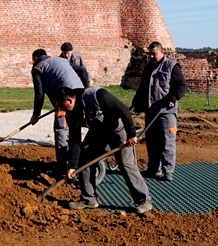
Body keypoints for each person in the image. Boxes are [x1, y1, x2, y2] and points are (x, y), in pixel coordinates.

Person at [58, 86, 152, 214]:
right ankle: (89, 199)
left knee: (126, 163)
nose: (61, 110)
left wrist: (131, 134)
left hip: (119, 130)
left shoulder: (96, 95)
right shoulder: (71, 114)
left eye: (62, 105)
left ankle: (143, 200)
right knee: (85, 159)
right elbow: (75, 140)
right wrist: (72, 166)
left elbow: (123, 110)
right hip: (98, 132)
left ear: (69, 100)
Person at [131, 41, 188, 181]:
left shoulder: (172, 67)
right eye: (149, 54)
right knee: (151, 141)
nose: (151, 56)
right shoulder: (148, 67)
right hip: (151, 111)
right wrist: (136, 102)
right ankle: (153, 169)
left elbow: (182, 86)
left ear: (161, 52)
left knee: (167, 141)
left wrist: (172, 98)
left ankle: (167, 171)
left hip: (166, 112)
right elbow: (143, 87)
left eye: (154, 54)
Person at [30, 48, 84, 175]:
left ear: (35, 59)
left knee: (61, 130)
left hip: (63, 98)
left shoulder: (38, 67)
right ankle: (74, 161)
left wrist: (36, 114)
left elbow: (39, 94)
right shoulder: (61, 60)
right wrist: (84, 88)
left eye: (32, 61)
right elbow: (82, 70)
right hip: (80, 95)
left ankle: (61, 166)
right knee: (74, 128)